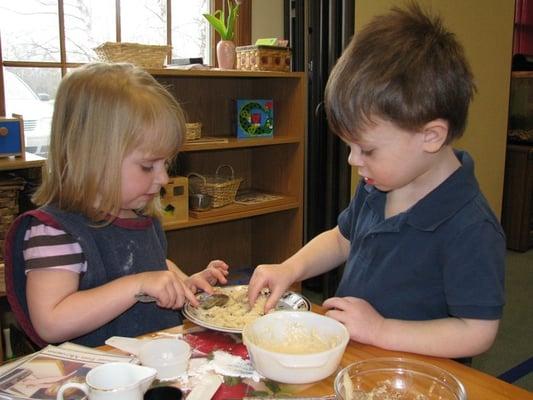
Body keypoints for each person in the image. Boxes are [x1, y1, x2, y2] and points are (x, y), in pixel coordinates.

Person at [248, 3, 505, 360]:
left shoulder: (470, 226)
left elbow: (477, 331)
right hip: (359, 357)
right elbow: (342, 239)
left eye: (366, 149)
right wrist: (290, 268)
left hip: (416, 375)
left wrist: (382, 329)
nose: (354, 160)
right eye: (350, 146)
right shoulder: (378, 184)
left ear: (430, 136)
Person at [5, 63, 229, 348]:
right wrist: (137, 285)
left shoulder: (137, 215)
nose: (163, 178)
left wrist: (184, 284)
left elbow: (150, 263)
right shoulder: (54, 233)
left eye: (166, 163)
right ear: (93, 158)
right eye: (148, 166)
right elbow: (51, 322)